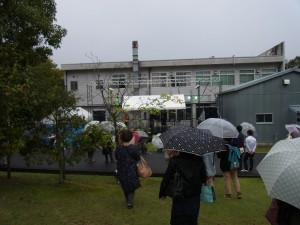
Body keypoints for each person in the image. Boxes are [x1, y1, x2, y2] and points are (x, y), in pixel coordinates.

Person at [159, 150, 207, 225]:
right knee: (192, 218)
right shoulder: (199, 159)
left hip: (179, 191)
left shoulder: (175, 160)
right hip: (194, 193)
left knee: (178, 218)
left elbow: (167, 177)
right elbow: (204, 177)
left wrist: (162, 192)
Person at [115, 130, 141, 209]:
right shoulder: (134, 148)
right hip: (131, 170)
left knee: (124, 185)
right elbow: (138, 158)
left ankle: (128, 200)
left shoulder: (119, 148)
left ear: (121, 138)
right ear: (131, 138)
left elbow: (116, 157)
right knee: (132, 187)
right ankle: (130, 202)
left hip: (121, 170)